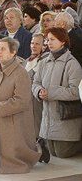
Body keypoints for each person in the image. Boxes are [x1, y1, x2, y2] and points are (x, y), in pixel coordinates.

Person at [0, 37, 50, 174]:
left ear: (13, 52)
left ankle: (39, 151)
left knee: (16, 160)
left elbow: (21, 101)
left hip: (14, 124)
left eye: (3, 49)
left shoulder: (21, 73)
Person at [32, 27, 82, 158]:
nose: (49, 43)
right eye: (47, 40)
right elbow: (35, 82)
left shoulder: (72, 64)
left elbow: (76, 92)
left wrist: (50, 93)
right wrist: (38, 91)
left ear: (63, 42)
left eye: (52, 40)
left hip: (65, 117)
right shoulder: (44, 62)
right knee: (53, 152)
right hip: (48, 118)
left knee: (62, 153)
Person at [25, 33, 48, 138]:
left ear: (44, 46)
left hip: (36, 98)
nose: (33, 46)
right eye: (32, 43)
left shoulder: (45, 61)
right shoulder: (26, 61)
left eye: (37, 44)